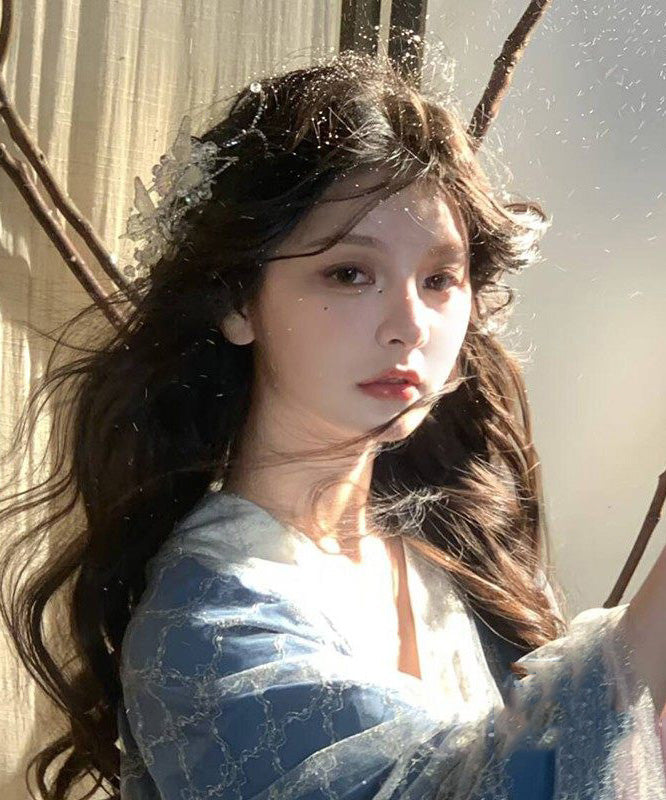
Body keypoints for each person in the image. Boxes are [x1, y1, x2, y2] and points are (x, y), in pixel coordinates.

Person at [0, 52, 665, 800]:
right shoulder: (204, 623)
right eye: (350, 273)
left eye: (440, 279)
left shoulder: (461, 552)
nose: (409, 324)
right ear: (238, 302)